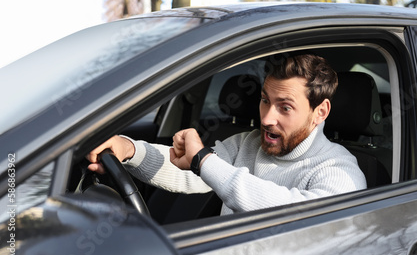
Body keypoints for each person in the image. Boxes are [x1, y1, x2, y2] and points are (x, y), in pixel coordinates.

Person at [87, 54, 367, 215]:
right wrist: (130, 150)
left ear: (320, 112)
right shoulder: (247, 144)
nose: (267, 118)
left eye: (285, 107)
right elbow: (188, 170)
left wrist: (203, 161)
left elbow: (294, 216)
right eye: (265, 100)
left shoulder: (340, 172)